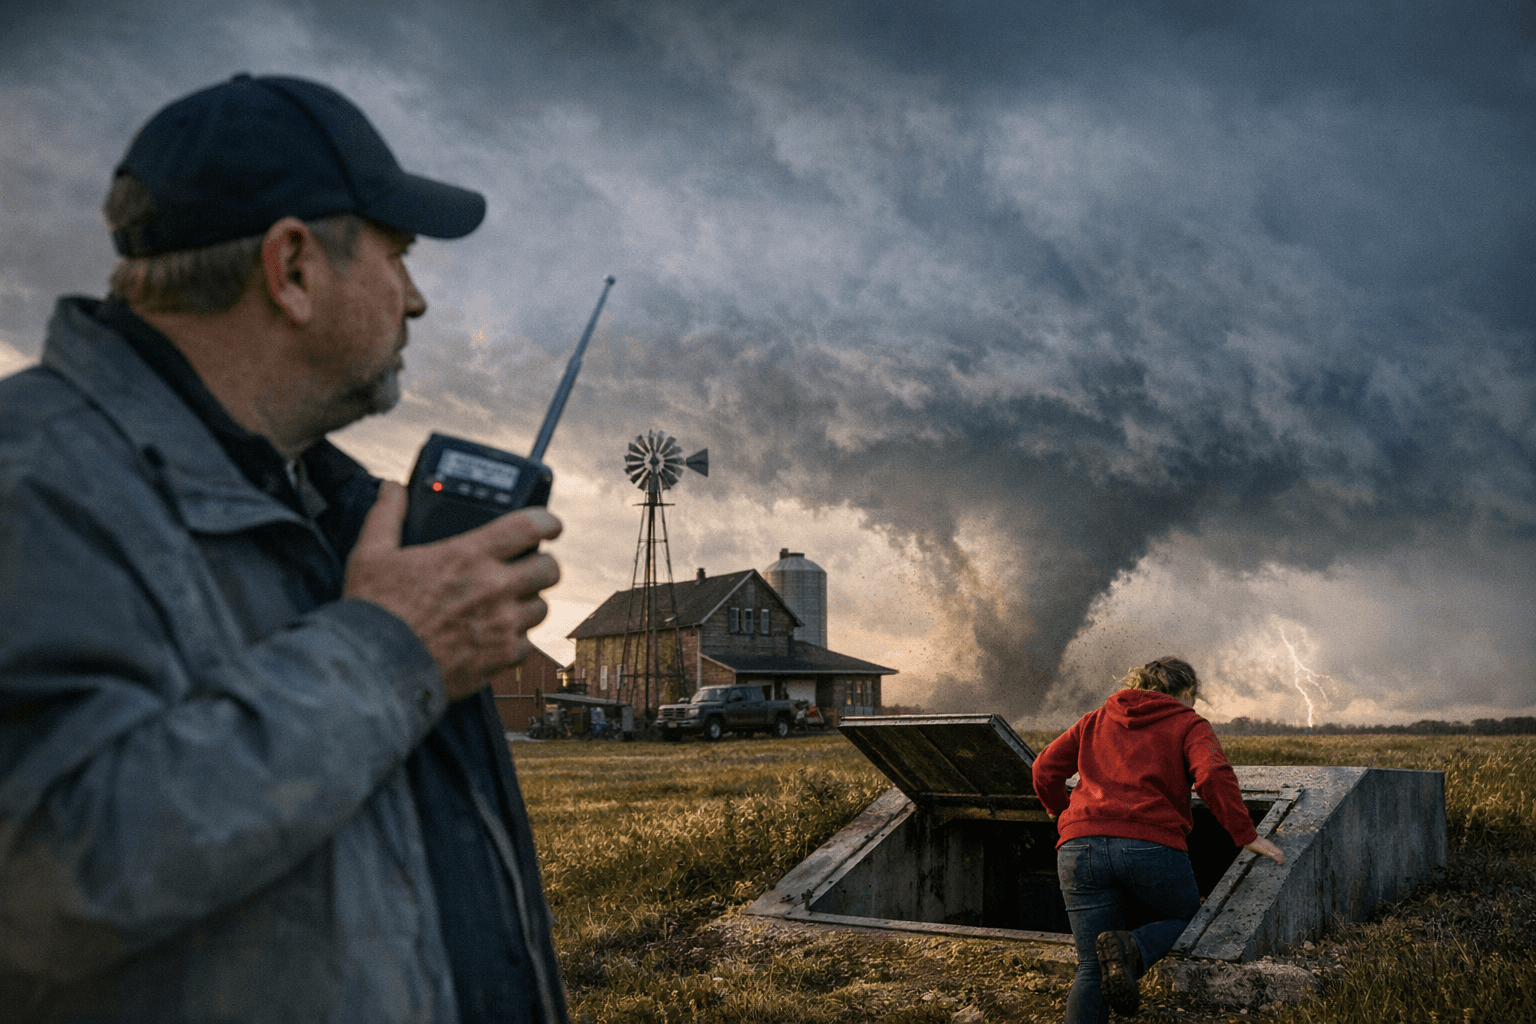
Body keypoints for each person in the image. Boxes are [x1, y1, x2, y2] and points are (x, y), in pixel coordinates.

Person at [0, 74, 570, 1023]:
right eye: (399, 255)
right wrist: (394, 652)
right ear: (293, 267)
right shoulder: (31, 479)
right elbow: (39, 879)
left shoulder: (327, 502)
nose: (417, 301)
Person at [1031, 657, 1285, 1022]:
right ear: (1188, 691)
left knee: (1091, 967)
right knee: (1190, 920)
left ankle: (1122, 952)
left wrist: (1061, 812)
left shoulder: (1096, 719)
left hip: (1078, 847)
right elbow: (1212, 774)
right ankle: (1132, 947)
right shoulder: (1188, 722)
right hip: (1149, 844)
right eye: (1194, 696)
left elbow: (1043, 769)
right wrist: (1245, 834)